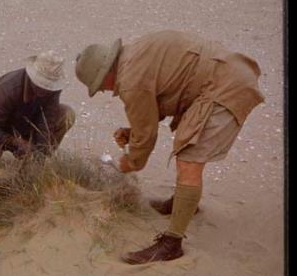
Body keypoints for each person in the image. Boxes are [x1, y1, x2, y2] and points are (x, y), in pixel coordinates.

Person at [75, 30, 264, 264]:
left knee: (189, 160)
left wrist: (129, 163)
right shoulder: (135, 53)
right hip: (228, 72)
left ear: (105, 74)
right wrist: (132, 132)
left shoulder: (130, 79)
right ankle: (183, 204)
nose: (104, 91)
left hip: (224, 87)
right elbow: (163, 97)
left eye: (99, 85)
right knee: (187, 153)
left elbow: (146, 135)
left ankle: (171, 244)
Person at [0, 50, 75, 165]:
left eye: (49, 87)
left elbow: (46, 122)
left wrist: (39, 154)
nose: (45, 90)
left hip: (27, 124)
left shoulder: (52, 90)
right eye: (42, 85)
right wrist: (15, 143)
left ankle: (35, 161)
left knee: (67, 114)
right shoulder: (6, 89)